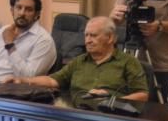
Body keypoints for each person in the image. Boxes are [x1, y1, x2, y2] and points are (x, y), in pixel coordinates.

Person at [8, 16, 148, 102]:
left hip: (111, 119)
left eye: (93, 36)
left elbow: (142, 95)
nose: (88, 40)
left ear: (110, 38)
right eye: (86, 35)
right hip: (77, 117)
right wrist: (23, 80)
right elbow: (52, 80)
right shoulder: (79, 61)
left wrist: (112, 100)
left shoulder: (128, 62)